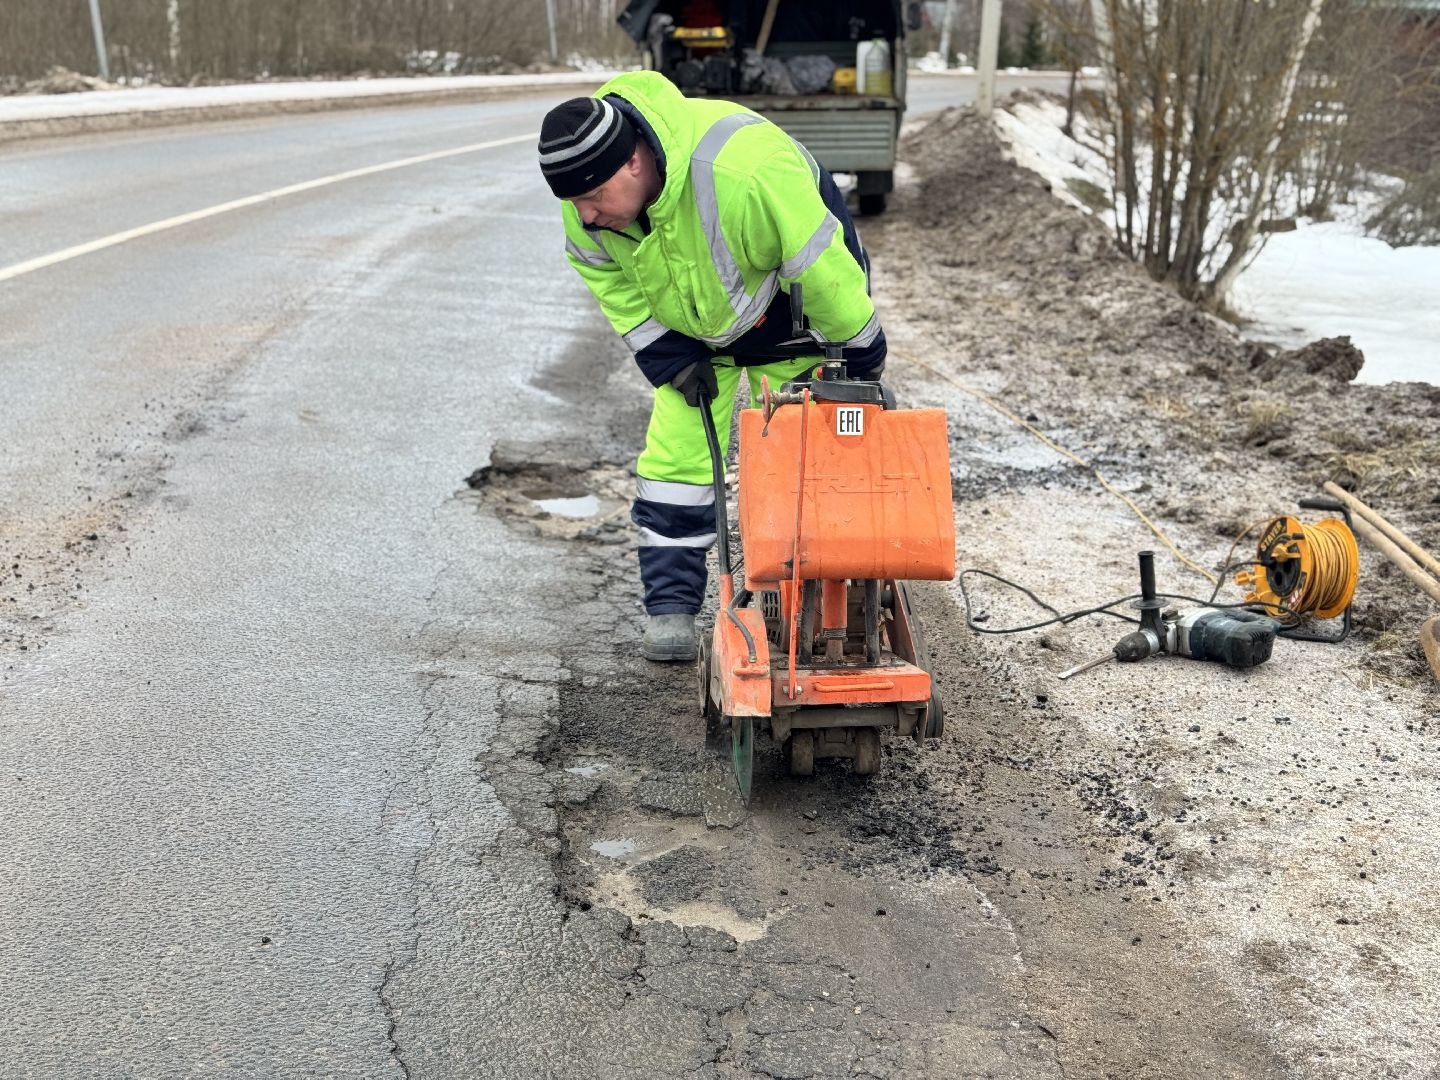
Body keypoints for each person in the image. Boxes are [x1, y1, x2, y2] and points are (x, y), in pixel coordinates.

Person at [539, 71, 886, 663]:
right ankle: (672, 606)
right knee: (675, 461)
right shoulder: (587, 208)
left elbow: (822, 266)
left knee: (801, 455)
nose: (588, 217)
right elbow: (612, 284)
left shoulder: (743, 170)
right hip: (695, 337)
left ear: (631, 164)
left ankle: (804, 594)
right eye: (575, 204)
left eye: (593, 200)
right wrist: (668, 354)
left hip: (793, 324)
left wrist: (858, 348)